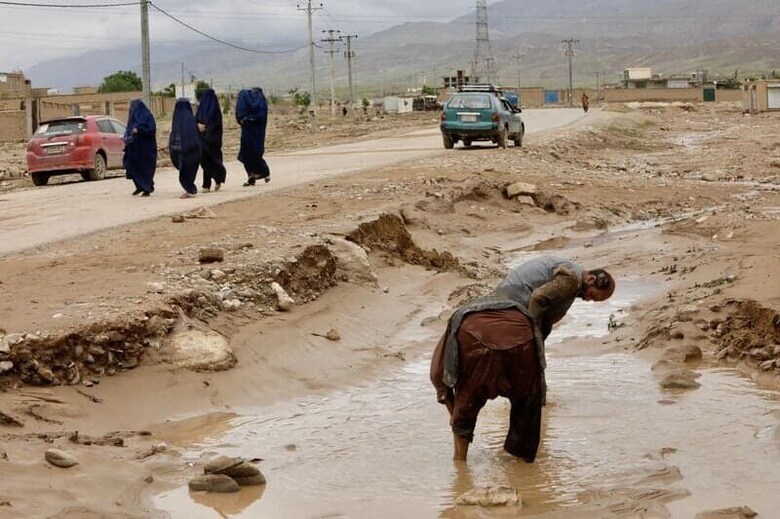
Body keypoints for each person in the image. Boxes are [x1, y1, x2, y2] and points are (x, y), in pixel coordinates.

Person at [430, 256, 615, 462]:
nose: (589, 300)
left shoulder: (566, 271)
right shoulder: (572, 279)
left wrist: (452, 412)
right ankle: (522, 464)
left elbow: (439, 376)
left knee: (466, 401)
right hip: (517, 319)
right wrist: (532, 333)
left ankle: (460, 465)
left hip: (493, 308)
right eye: (593, 296)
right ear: (590, 279)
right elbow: (537, 298)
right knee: (528, 400)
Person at [235, 87, 270, 187]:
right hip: (247, 132)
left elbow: (261, 116)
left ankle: (265, 172)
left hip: (257, 133)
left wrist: (249, 119)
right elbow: (239, 113)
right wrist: (242, 119)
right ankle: (251, 177)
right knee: (246, 154)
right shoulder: (247, 101)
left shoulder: (261, 104)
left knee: (256, 153)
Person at [123, 99, 157, 197]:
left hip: (146, 148)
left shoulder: (147, 116)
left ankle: (147, 188)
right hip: (133, 147)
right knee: (130, 165)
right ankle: (139, 186)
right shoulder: (132, 118)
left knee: (145, 168)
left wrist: (139, 130)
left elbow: (151, 130)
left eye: (134, 107)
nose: (132, 109)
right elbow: (128, 131)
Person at [195, 88, 226, 192]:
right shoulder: (201, 108)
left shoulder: (215, 111)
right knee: (204, 161)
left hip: (213, 140)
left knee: (213, 160)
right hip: (202, 139)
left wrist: (207, 127)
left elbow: (215, 124)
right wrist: (198, 125)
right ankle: (207, 184)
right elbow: (196, 120)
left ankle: (216, 179)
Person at [169, 98, 201, 199]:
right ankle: (190, 189)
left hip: (184, 150)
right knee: (187, 170)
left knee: (185, 170)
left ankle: (190, 189)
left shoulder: (179, 118)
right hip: (189, 149)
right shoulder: (190, 118)